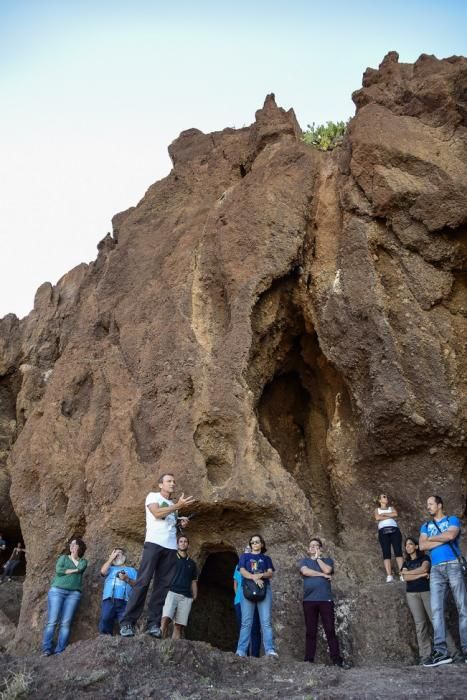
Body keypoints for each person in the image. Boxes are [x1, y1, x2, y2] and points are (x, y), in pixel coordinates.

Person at [120, 473, 195, 638]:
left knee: (162, 587)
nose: (172, 484)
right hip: (153, 544)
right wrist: (177, 507)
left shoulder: (173, 505)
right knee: (143, 582)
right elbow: (156, 513)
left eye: (174, 481)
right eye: (169, 481)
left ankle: (153, 624)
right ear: (160, 485)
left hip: (169, 548)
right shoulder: (152, 496)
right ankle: (127, 623)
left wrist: (180, 523)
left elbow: (169, 524)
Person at [419, 495, 467, 667]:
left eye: (430, 504)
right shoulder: (425, 526)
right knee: (436, 610)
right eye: (427, 505)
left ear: (439, 505)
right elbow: (422, 546)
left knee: (462, 607)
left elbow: (452, 535)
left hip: (453, 565)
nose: (428, 507)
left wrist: (431, 539)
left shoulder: (452, 519)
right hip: (436, 569)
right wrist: (442, 537)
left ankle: (466, 649)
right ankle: (441, 652)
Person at [401, 536, 460, 664]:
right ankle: (425, 656)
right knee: (420, 625)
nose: (408, 547)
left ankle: (454, 653)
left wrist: (415, 573)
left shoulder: (425, 558)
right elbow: (405, 578)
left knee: (437, 621)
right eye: (406, 545)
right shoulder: (405, 563)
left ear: (416, 546)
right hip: (412, 595)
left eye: (410, 544)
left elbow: (425, 568)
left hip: (426, 592)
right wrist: (421, 575)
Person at [299, 538, 343, 666]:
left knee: (330, 630)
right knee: (310, 631)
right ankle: (308, 659)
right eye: (311, 546)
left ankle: (336, 659)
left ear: (320, 548)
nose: (313, 548)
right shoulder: (305, 561)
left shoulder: (327, 560)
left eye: (316, 546)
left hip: (325, 600)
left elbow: (328, 570)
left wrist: (318, 559)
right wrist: (322, 575)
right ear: (308, 549)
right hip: (309, 601)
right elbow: (305, 571)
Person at [42, 537, 87, 656]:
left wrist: (67, 570)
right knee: (52, 621)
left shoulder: (83, 561)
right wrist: (73, 570)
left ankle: (59, 651)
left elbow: (80, 568)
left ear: (79, 547)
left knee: (66, 623)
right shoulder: (63, 558)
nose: (71, 546)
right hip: (57, 591)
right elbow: (59, 570)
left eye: (74, 544)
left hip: (74, 594)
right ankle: (46, 649)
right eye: (71, 544)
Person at [235, 534, 278, 658]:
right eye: (252, 542)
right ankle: (241, 651)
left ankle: (270, 650)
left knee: (266, 621)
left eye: (257, 542)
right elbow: (242, 571)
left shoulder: (266, 558)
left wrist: (260, 576)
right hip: (248, 588)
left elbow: (270, 573)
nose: (254, 544)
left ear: (262, 544)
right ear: (250, 545)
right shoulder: (245, 556)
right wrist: (255, 577)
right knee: (246, 622)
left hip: (264, 589)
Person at [160, 534, 197, 639]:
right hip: (171, 592)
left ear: (188, 545)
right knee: (165, 619)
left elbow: (193, 581)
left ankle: (173, 650)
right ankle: (160, 646)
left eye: (185, 541)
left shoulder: (192, 563)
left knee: (179, 626)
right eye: (181, 541)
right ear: (177, 544)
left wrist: (195, 595)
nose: (183, 543)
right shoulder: (171, 558)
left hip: (186, 596)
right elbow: (163, 574)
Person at [99, 547, 138, 634]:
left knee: (125, 623)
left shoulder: (131, 570)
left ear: (124, 556)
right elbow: (102, 572)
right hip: (109, 599)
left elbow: (138, 586)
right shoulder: (110, 569)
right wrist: (110, 559)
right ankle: (104, 639)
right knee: (105, 619)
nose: (117, 555)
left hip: (125, 601)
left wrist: (127, 579)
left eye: (119, 553)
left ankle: (125, 642)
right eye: (115, 553)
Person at [233, 547, 261, 657]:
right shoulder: (238, 567)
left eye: (250, 551)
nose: (248, 553)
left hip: (253, 600)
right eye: (246, 551)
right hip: (240, 601)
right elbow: (235, 583)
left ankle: (255, 656)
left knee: (254, 629)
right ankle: (243, 654)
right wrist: (237, 596)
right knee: (243, 628)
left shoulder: (255, 565)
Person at [374, 494, 403, 582]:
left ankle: (402, 574)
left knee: (398, 551)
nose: (386, 498)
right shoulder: (377, 509)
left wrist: (384, 515)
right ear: (379, 500)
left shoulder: (391, 508)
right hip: (383, 531)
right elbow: (377, 517)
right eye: (384, 497)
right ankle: (389, 575)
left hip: (394, 530)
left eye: (386, 496)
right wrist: (389, 515)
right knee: (386, 552)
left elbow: (395, 514)